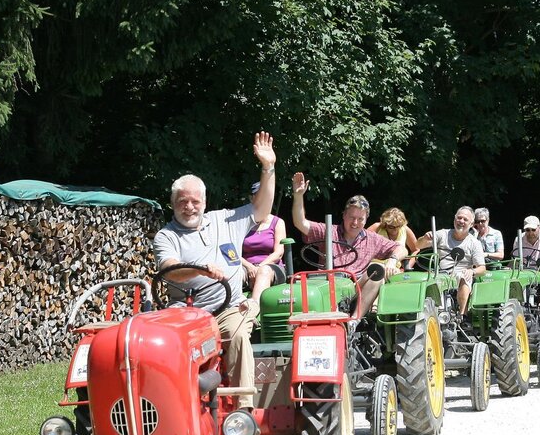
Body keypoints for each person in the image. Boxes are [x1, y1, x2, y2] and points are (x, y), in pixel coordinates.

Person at [153, 131, 276, 410]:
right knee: (164, 344)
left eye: (195, 201)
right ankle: (171, 407)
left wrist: (268, 167)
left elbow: (261, 207)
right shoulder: (166, 236)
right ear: (173, 204)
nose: (189, 207)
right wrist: (199, 271)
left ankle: (244, 409)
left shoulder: (225, 220)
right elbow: (169, 270)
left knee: (238, 335)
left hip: (227, 308)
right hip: (186, 313)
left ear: (205, 203)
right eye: (182, 201)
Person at [291, 174, 407, 317]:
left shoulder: (372, 239)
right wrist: (298, 196)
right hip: (327, 286)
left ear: (366, 220)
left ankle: (354, 321)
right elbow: (300, 223)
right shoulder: (328, 231)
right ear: (344, 215)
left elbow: (401, 248)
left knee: (377, 271)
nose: (355, 223)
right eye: (352, 217)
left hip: (356, 289)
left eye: (360, 219)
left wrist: (393, 260)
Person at [415, 206, 486, 317]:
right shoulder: (443, 234)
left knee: (464, 277)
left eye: (465, 219)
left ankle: (462, 316)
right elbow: (418, 245)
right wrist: (424, 238)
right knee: (423, 279)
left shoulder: (474, 243)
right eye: (459, 218)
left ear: (471, 224)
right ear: (454, 219)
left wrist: (472, 271)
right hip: (440, 273)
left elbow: (482, 269)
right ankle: (424, 313)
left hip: (460, 273)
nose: (461, 221)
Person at [241, 181, 287, 305]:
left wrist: (258, 267)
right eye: (259, 196)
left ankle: (254, 307)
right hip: (246, 267)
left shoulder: (278, 222)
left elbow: (278, 253)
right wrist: (249, 267)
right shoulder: (241, 223)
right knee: (233, 273)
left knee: (264, 271)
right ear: (251, 198)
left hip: (272, 267)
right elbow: (232, 252)